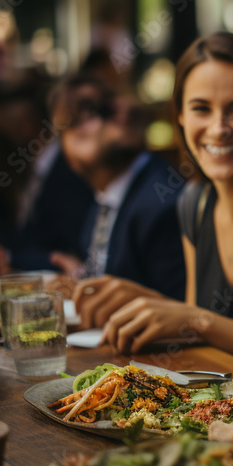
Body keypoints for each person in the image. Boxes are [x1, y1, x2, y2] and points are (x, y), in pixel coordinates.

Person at [73, 33, 233, 361]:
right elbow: (203, 334)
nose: (218, 128)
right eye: (201, 109)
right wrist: (144, 301)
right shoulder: (194, 203)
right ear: (179, 115)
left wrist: (195, 320)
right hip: (219, 405)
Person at [49, 76, 186, 300]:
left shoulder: (159, 204)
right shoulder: (106, 199)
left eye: (88, 111)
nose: (117, 111)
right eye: (80, 114)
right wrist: (83, 279)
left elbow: (179, 313)